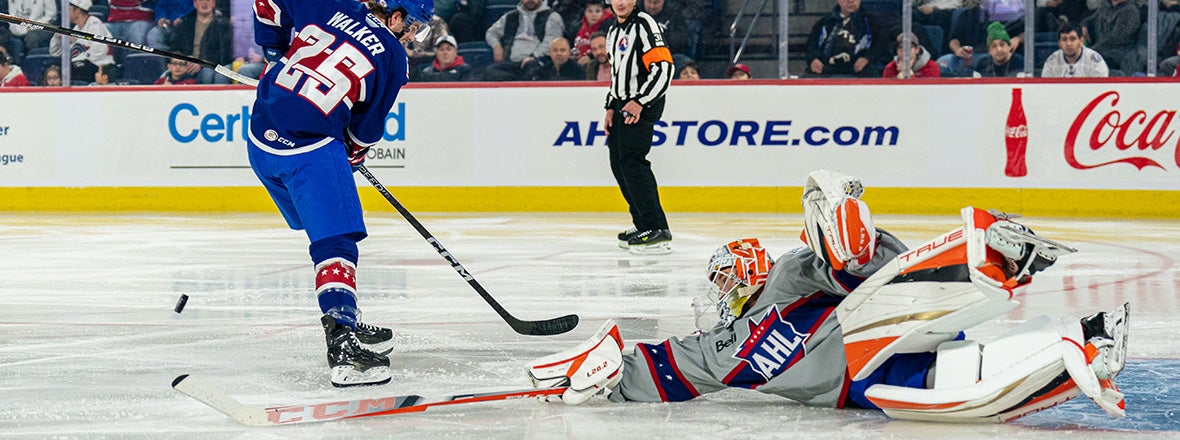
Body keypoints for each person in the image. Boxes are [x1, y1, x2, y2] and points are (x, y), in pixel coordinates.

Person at [527, 170, 1131, 424]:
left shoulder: (789, 276)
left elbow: (863, 271)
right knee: (958, 387)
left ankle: (985, 254)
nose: (722, 296)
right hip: (872, 387)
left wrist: (844, 238)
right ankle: (1088, 340)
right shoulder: (725, 346)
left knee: (866, 278)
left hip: (882, 335)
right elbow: (672, 366)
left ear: (744, 274)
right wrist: (606, 370)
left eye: (725, 282)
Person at [249, 0, 434, 387]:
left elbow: (266, 3)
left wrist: (274, 50)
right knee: (336, 242)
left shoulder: (332, 3)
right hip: (310, 152)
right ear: (395, 15)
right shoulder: (395, 59)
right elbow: (364, 132)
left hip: (260, 140)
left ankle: (343, 307)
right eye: (415, 25)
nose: (414, 36)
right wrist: (349, 154)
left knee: (312, 223)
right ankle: (343, 343)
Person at [604, 0, 674, 254]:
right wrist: (610, 106)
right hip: (623, 104)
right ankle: (643, 224)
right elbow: (617, 74)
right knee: (619, 164)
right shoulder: (613, 30)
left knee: (633, 162)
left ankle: (656, 227)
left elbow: (664, 69)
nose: (621, 2)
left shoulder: (645, 24)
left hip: (640, 103)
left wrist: (641, 102)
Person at [481, 0, 564, 81]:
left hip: (539, 61)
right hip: (512, 62)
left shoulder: (552, 17)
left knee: (532, 71)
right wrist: (496, 46)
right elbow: (491, 33)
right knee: (490, 71)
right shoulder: (510, 16)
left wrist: (533, 56)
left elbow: (551, 42)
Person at [803, 0, 886, 78]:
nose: (850, 1)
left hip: (857, 68)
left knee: (871, 72)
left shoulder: (871, 22)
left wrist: (867, 58)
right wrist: (814, 59)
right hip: (827, 68)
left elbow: (881, 46)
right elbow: (811, 46)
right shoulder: (825, 22)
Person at [49, 0, 116, 82]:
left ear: (77, 11)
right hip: (79, 69)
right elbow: (55, 53)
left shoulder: (95, 25)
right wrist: (57, 37)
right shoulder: (76, 29)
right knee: (52, 70)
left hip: (99, 69)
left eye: (68, 9)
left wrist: (79, 59)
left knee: (78, 68)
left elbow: (100, 50)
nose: (65, 13)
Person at [170, 0, 233, 84]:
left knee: (208, 74)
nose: (204, 3)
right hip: (187, 65)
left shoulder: (222, 24)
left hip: (210, 64)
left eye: (208, 0)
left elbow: (224, 54)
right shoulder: (185, 23)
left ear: (214, 3)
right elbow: (174, 47)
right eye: (200, 0)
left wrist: (202, 62)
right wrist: (185, 59)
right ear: (195, 3)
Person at [1080, 0, 1140, 70]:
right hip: (1099, 50)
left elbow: (1115, 39)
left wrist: (1091, 51)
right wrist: (1084, 25)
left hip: (1116, 54)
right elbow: (1092, 19)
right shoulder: (1106, 5)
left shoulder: (1130, 11)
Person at [1042, 21, 1109, 78]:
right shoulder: (1052, 61)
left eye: (1073, 39)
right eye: (1064, 40)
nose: (1068, 44)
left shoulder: (1094, 61)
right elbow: (1046, 89)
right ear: (1059, 43)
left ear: (1081, 41)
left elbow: (1100, 89)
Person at [570, 0, 613, 64]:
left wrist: (590, 57)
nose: (594, 14)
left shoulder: (608, 25)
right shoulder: (577, 27)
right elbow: (571, 46)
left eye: (597, 11)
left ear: (603, 12)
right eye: (590, 11)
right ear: (585, 13)